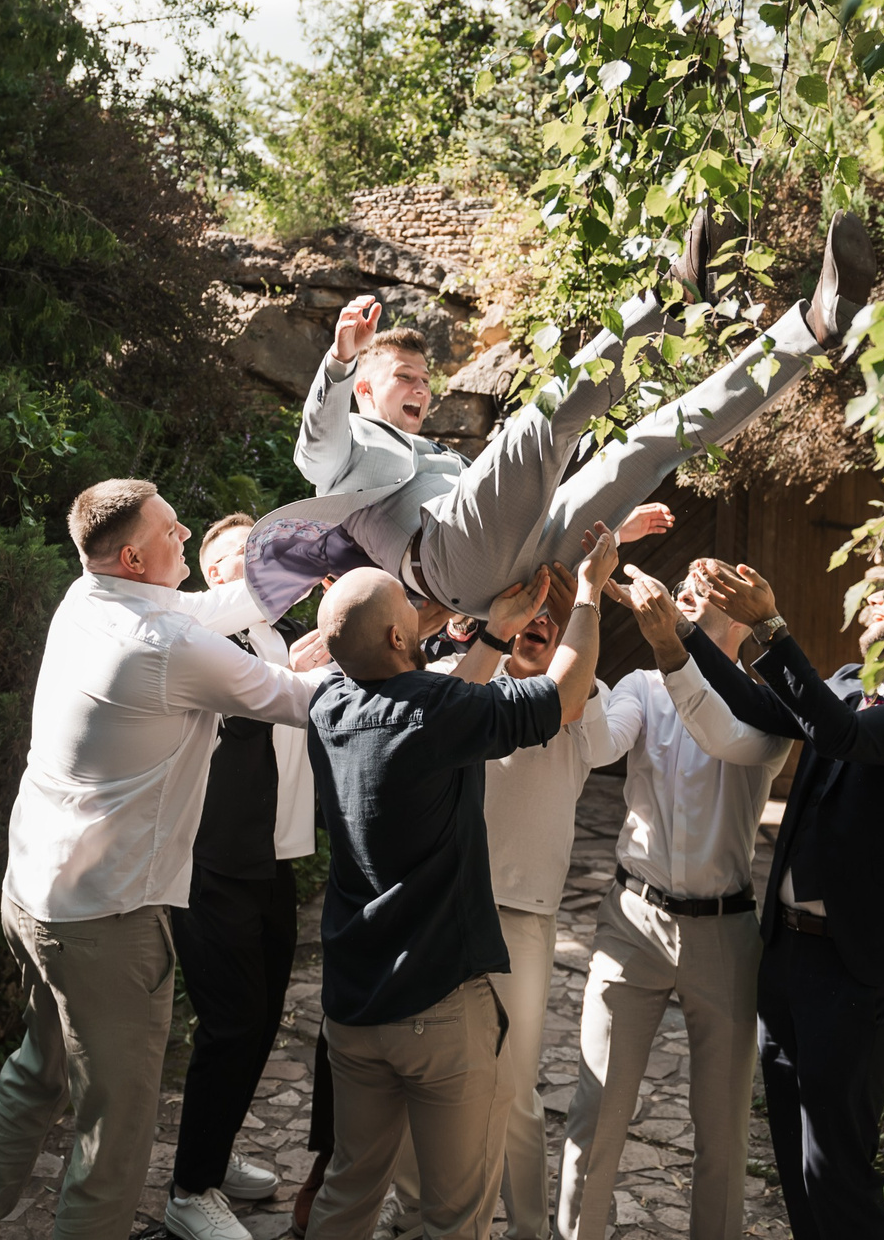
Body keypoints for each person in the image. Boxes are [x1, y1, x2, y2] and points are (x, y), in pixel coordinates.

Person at [0, 481, 328, 1240]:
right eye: (170, 529)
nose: (185, 530)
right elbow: (299, 700)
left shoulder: (89, 598)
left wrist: (315, 555)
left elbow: (207, 610)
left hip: (33, 892)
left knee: (37, 1072)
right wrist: (364, 642)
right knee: (113, 1137)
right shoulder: (163, 647)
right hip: (103, 920)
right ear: (133, 555)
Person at [233, 213, 879, 626]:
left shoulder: (445, 461)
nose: (422, 391)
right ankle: (673, 295)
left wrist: (616, 531)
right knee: (536, 427)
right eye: (404, 377)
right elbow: (314, 445)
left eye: (426, 381)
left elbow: (512, 518)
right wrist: (340, 360)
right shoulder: (343, 456)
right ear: (364, 389)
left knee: (646, 447)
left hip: (510, 569)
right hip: (450, 563)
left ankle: (814, 327)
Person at [304, 525, 623, 1240]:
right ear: (396, 637)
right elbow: (564, 694)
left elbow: (430, 693)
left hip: (353, 1009)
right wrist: (592, 593)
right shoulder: (433, 713)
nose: (422, 618)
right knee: (457, 1211)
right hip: (437, 1008)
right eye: (409, 611)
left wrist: (488, 634)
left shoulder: (328, 702)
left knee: (351, 1188)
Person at [673, 553, 884, 1240]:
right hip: (789, 954)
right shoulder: (853, 681)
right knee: (795, 1166)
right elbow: (761, 703)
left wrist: (773, 626)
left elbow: (842, 736)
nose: (872, 597)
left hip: (858, 971)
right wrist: (682, 630)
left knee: (837, 1175)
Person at [556, 567, 796, 1240]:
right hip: (632, 920)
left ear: (740, 617)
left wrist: (672, 644)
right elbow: (599, 743)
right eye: (684, 580)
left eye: (705, 586)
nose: (686, 585)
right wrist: (589, 619)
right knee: (594, 1108)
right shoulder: (640, 686)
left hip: (725, 934)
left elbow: (720, 734)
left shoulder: (767, 709)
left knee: (721, 1128)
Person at [389, 564, 624, 1240]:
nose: (537, 628)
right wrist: (495, 638)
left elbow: (601, 741)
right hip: (439, 906)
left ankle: (526, 1227)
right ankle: (413, 1215)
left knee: (515, 1088)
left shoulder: (579, 699)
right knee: (420, 1076)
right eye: (529, 616)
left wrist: (580, 624)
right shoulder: (459, 683)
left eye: (552, 623)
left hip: (522, 915)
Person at [162, 514, 326, 1240]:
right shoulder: (206, 640)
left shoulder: (280, 641)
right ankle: (189, 1188)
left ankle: (214, 1154)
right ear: (212, 577)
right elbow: (264, 697)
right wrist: (308, 668)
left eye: (258, 550)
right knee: (230, 1023)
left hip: (272, 861)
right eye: (233, 555)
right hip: (212, 863)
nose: (253, 564)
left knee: (258, 1020)